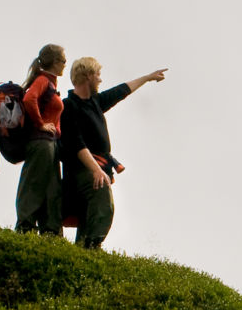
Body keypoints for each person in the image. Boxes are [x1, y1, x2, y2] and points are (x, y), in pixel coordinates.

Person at [59, 56, 166, 250]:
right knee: (102, 197)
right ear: (88, 75)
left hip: (98, 168)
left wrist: (147, 78)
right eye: (97, 74)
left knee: (89, 211)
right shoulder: (69, 105)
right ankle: (93, 244)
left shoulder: (95, 102)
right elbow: (77, 144)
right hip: (82, 170)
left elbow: (121, 91)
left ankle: (83, 250)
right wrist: (96, 170)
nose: (100, 79)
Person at [14, 44, 66, 234]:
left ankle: (51, 231)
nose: (65, 64)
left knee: (52, 187)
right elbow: (29, 99)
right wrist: (41, 123)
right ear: (55, 62)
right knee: (34, 184)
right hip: (41, 142)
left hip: (49, 144)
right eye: (63, 60)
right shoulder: (43, 80)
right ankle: (25, 227)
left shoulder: (49, 82)